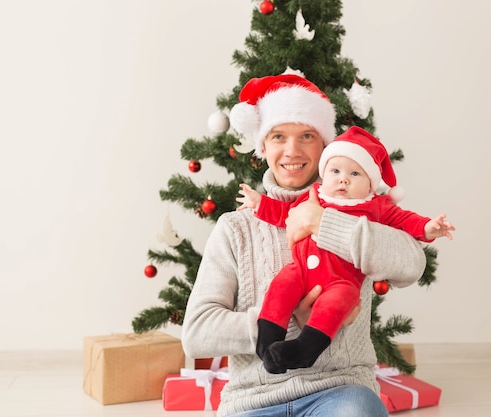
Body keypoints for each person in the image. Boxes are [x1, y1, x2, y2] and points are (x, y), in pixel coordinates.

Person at [181, 74, 428, 417]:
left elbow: (412, 264)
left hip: (339, 391)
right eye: (278, 136)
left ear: (325, 148)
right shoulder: (235, 228)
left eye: (307, 136)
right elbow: (197, 334)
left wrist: (323, 223)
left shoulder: (362, 214)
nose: (292, 151)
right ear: (262, 147)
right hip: (252, 401)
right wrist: (285, 321)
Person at [236, 125, 455, 374]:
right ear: (325, 173)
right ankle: (267, 342)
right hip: (300, 271)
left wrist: (428, 227)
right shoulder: (313, 196)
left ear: (371, 184)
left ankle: (305, 349)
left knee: (336, 303)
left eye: (355, 174)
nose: (343, 179)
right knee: (282, 284)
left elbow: (406, 221)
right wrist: (259, 203)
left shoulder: (376, 206)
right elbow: (283, 213)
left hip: (341, 281)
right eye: (336, 171)